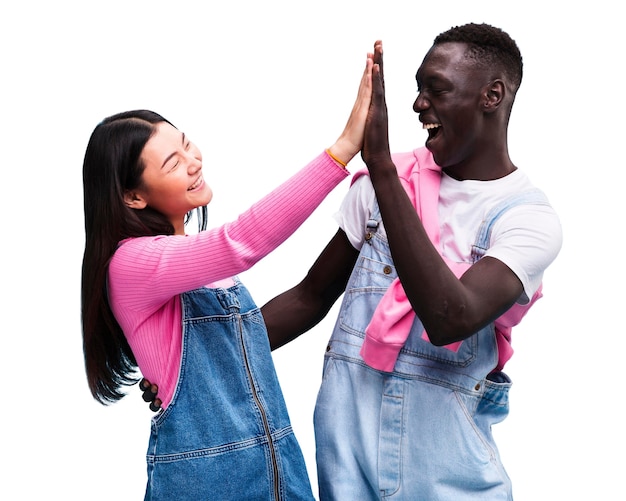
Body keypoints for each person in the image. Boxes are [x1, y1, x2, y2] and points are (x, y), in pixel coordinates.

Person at [260, 25, 562, 500]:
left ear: (493, 95)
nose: (418, 104)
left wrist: (381, 169)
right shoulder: (381, 185)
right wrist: (195, 362)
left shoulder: (526, 219)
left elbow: (450, 317)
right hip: (347, 478)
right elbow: (308, 297)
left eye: (436, 88)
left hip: (454, 484)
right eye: (417, 90)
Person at [80, 50, 374, 500]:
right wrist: (342, 150)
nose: (193, 161)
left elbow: (265, 325)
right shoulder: (131, 264)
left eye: (186, 144)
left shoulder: (195, 268)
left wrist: (365, 219)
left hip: (280, 475)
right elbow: (239, 244)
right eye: (172, 163)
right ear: (134, 197)